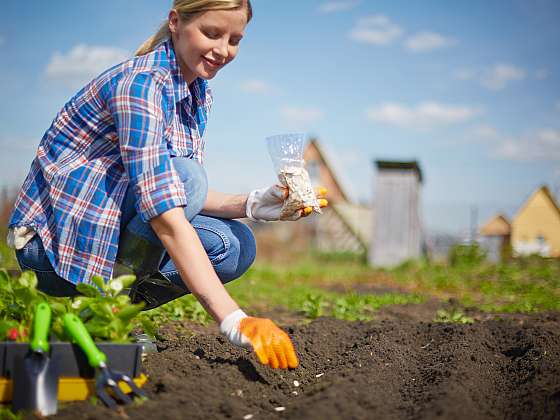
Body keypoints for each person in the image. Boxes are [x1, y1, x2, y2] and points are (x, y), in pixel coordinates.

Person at [7, 0, 328, 370]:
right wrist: (233, 319)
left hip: (105, 235)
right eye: (212, 33)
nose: (223, 50)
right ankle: (104, 309)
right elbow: (167, 209)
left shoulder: (195, 93)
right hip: (53, 249)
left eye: (235, 39)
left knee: (235, 245)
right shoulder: (140, 85)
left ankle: (114, 310)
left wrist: (254, 204)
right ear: (175, 21)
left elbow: (171, 189)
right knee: (188, 176)